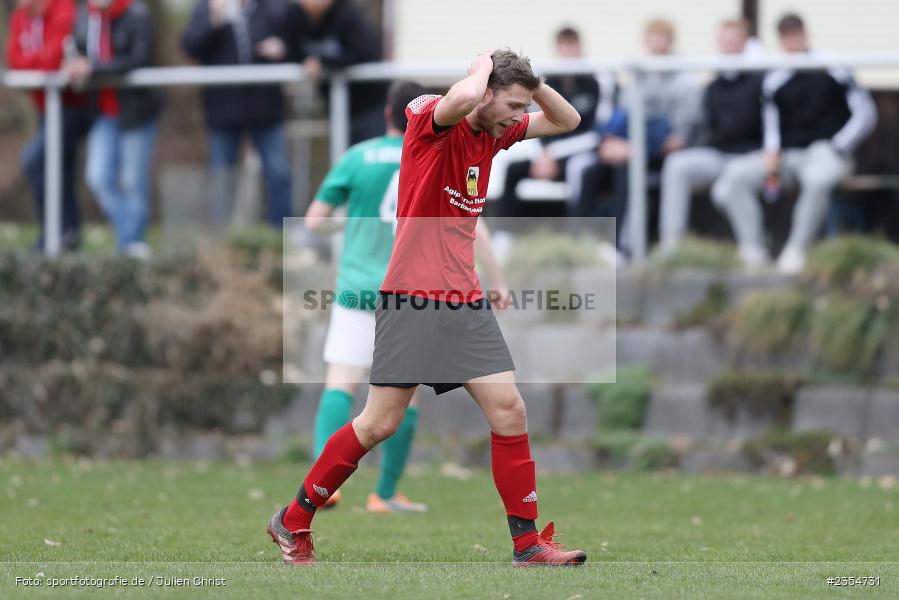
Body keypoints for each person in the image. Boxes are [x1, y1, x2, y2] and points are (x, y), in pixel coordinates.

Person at [268, 49, 587, 566]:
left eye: (519, 107)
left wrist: (531, 84)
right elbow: (461, 98)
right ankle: (293, 518)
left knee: (509, 411)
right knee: (378, 425)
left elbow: (567, 120)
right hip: (412, 298)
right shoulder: (433, 117)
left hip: (464, 299)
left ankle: (528, 545)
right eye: (509, 104)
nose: (516, 116)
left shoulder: (496, 132)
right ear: (483, 91)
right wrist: (481, 70)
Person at [301, 80, 432, 514]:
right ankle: (387, 493)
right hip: (408, 290)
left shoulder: (356, 157)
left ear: (386, 114)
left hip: (357, 286)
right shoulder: (433, 152)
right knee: (406, 397)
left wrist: (354, 226)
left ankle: (325, 486)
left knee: (341, 383)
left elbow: (315, 221)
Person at [712, 13, 877, 272]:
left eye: (795, 34)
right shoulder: (776, 77)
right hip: (788, 155)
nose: (792, 41)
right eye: (786, 36)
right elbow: (771, 121)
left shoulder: (834, 68)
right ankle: (752, 249)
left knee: (818, 178)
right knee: (735, 176)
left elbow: (866, 114)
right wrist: (772, 152)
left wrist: (838, 145)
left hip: (827, 151)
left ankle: (797, 248)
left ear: (804, 34)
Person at [579, 18, 701, 248]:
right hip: (629, 150)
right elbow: (622, 119)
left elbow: (678, 139)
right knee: (590, 172)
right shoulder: (637, 76)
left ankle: (620, 247)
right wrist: (607, 144)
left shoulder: (686, 82)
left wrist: (635, 149)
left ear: (670, 42)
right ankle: (579, 245)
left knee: (626, 170)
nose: (656, 46)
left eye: (661, 39)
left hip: (658, 155)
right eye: (652, 39)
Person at [64, 0, 164, 258]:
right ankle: (130, 242)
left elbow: (138, 59)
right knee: (97, 177)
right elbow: (77, 49)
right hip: (104, 113)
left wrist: (93, 68)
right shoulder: (87, 17)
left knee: (133, 180)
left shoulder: (137, 14)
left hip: (137, 112)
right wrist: (72, 63)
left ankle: (132, 244)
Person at [182, 0, 293, 229]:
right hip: (223, 110)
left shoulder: (272, 7)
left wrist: (282, 47)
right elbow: (190, 46)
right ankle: (222, 240)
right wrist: (214, 20)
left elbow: (297, 40)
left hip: (266, 107)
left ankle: (282, 237)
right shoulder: (206, 8)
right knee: (222, 177)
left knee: (278, 173)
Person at [657, 19, 763, 252]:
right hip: (719, 156)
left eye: (734, 41)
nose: (728, 47)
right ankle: (671, 246)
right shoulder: (713, 87)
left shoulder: (761, 83)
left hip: (751, 157)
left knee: (730, 183)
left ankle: (753, 249)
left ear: (745, 44)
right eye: (724, 41)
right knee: (677, 165)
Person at [497, 26, 613, 218]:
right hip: (546, 157)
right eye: (563, 46)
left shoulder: (597, 81)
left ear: (580, 48)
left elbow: (597, 132)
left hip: (580, 153)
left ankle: (578, 233)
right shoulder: (544, 83)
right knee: (513, 169)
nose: (568, 52)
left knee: (579, 168)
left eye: (572, 46)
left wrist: (553, 154)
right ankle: (504, 235)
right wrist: (541, 157)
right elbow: (528, 121)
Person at [7, 0, 92, 252]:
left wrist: (36, 62)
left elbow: (52, 60)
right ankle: (67, 234)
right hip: (46, 106)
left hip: (74, 106)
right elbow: (14, 60)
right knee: (59, 169)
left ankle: (55, 234)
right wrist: (37, 61)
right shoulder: (20, 16)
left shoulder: (63, 9)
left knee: (35, 160)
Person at [284, 0, 385, 144]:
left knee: (369, 155)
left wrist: (323, 62)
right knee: (343, 155)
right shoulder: (294, 18)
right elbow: (291, 51)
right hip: (335, 103)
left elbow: (363, 52)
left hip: (369, 104)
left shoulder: (349, 15)